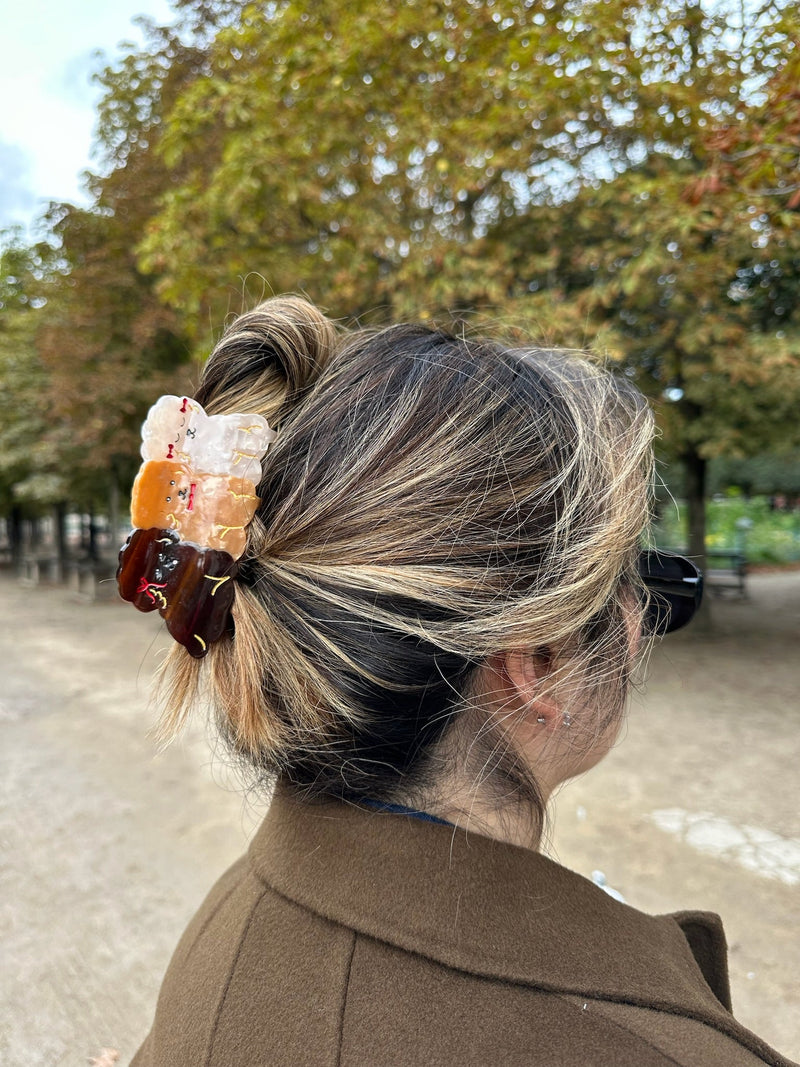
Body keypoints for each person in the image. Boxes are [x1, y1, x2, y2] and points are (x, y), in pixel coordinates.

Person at [126, 297, 793, 1066]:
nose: (646, 614)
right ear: (542, 655)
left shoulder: (227, 925)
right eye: (630, 576)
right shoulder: (647, 1049)